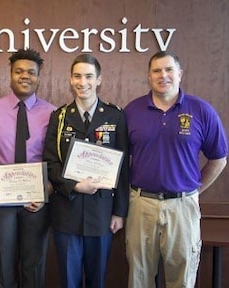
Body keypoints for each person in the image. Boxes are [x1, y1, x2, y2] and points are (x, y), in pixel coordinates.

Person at [124, 51, 228, 288]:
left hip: (183, 207)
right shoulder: (132, 111)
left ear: (179, 74)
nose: (163, 75)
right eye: (157, 71)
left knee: (182, 278)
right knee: (139, 278)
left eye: (169, 70)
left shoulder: (202, 110)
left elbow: (219, 159)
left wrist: (194, 190)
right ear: (149, 77)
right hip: (141, 205)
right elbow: (119, 159)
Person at [0, 48, 55, 288]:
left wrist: (48, 189)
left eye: (31, 72)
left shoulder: (53, 114)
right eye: (19, 71)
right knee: (4, 262)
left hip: (37, 200)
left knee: (33, 262)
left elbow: (58, 158)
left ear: (39, 77)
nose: (25, 76)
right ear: (10, 75)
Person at [42, 54, 129, 288]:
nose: (83, 82)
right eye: (77, 76)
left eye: (89, 76)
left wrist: (119, 212)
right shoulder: (59, 117)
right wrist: (75, 185)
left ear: (99, 80)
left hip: (102, 213)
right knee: (69, 280)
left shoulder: (116, 116)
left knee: (97, 278)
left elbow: (123, 168)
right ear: (70, 80)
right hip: (66, 212)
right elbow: (50, 162)